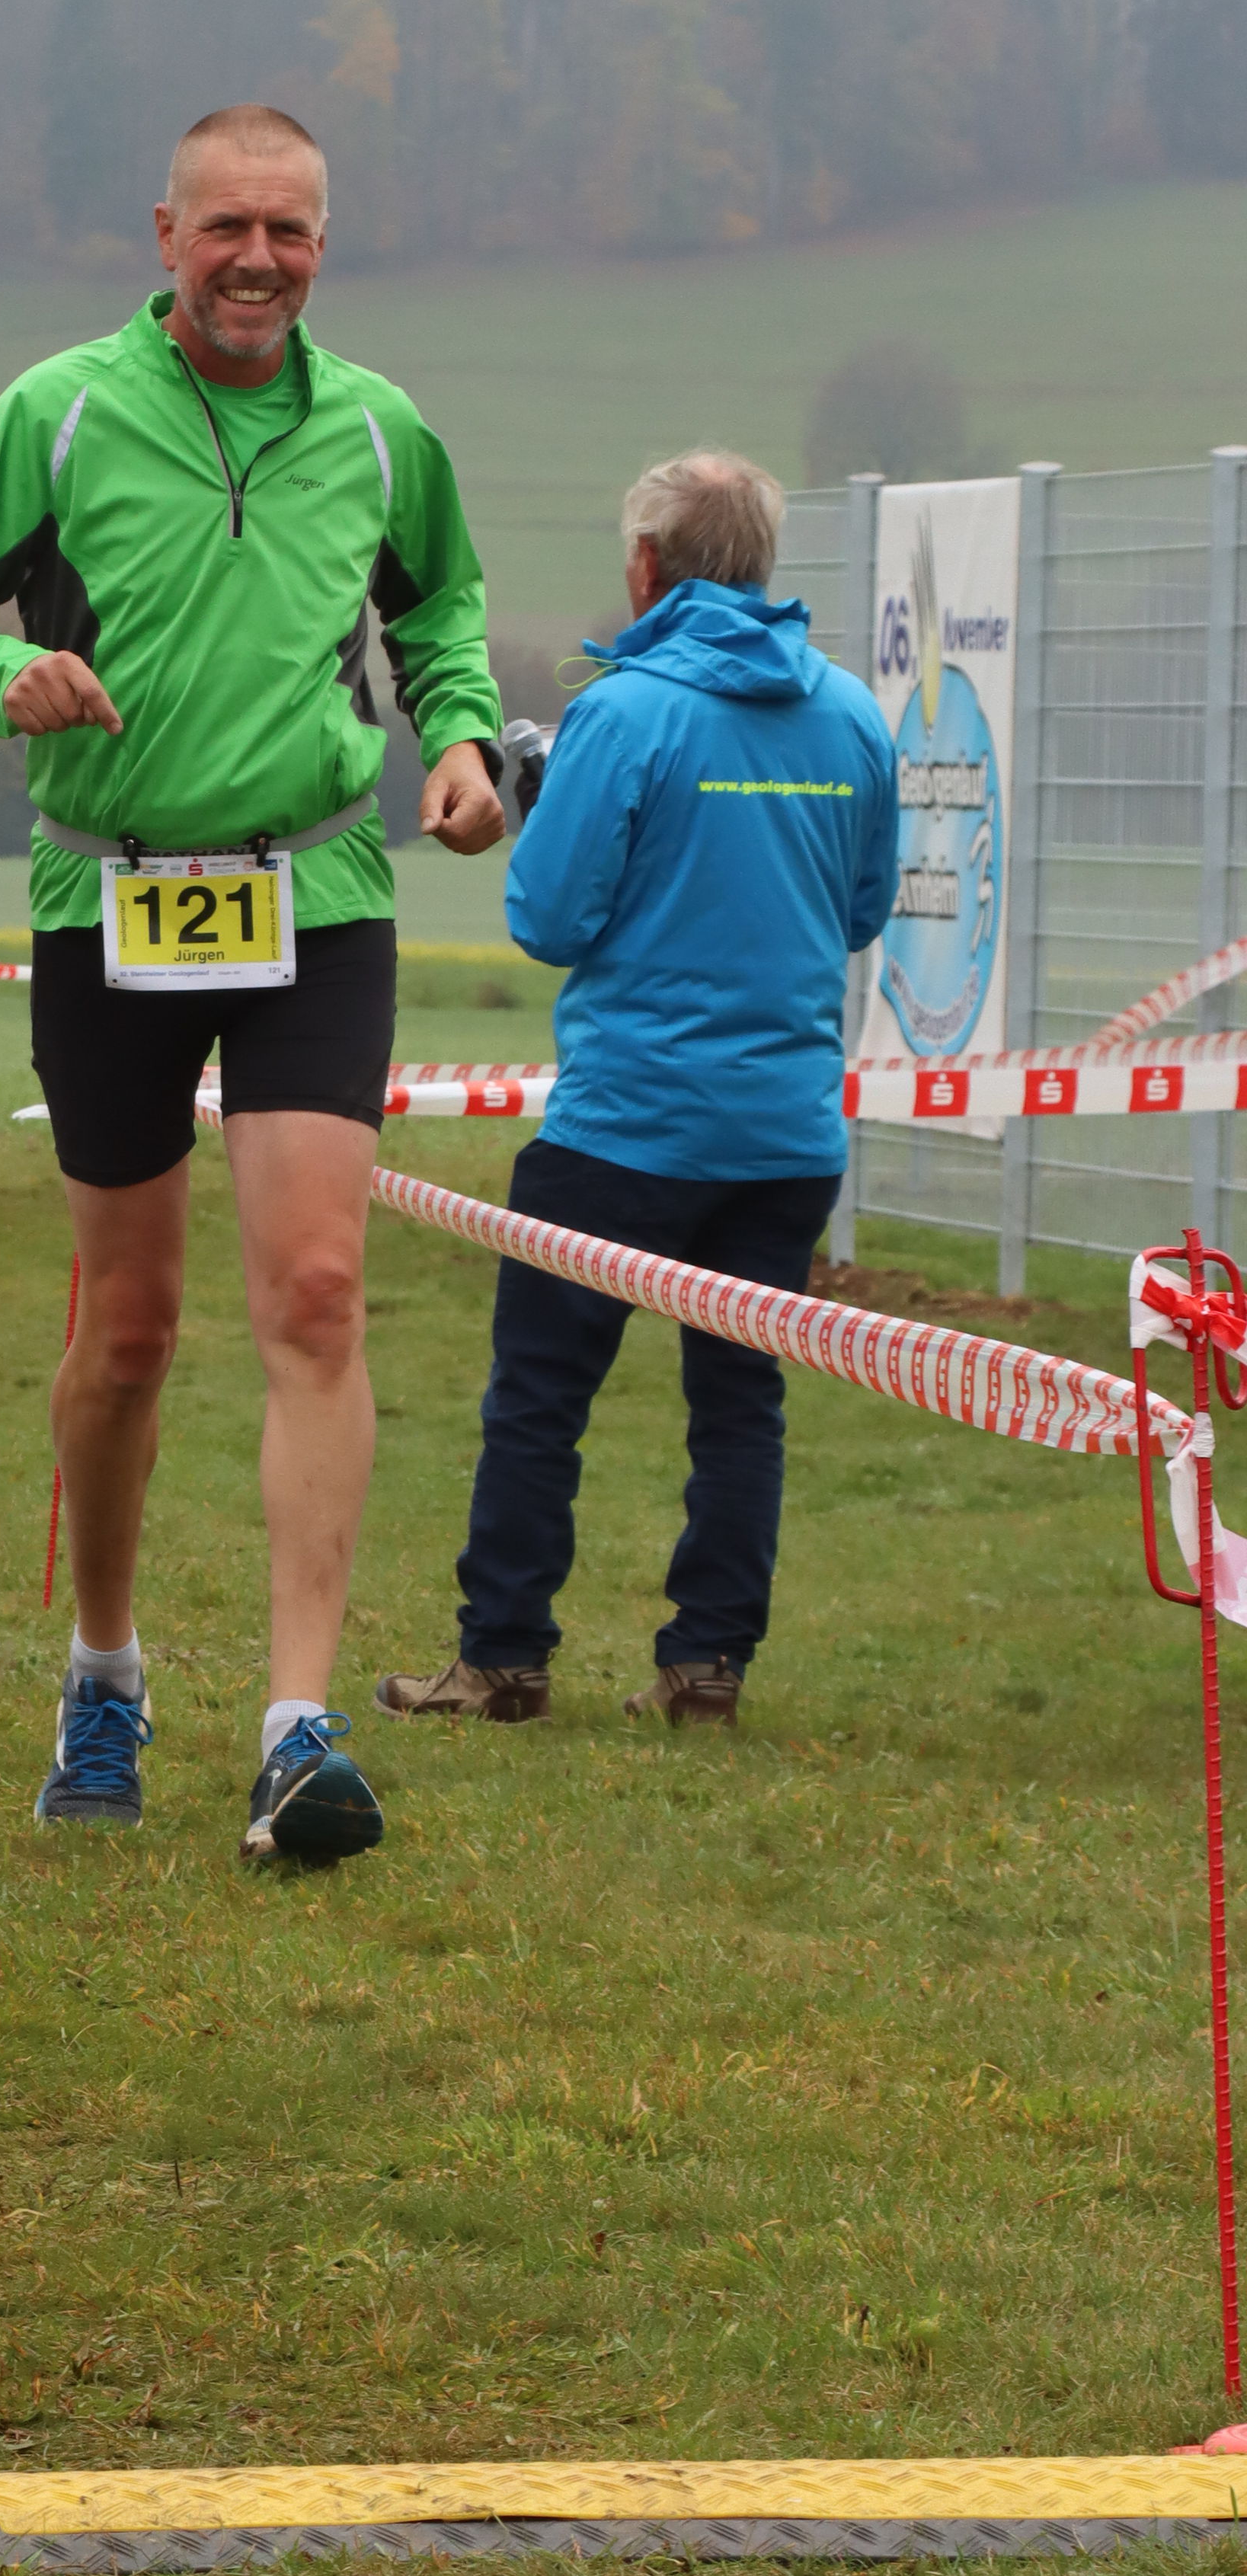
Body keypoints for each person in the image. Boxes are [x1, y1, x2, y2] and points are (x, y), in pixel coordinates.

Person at [0, 104, 506, 1869]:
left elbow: (439, 611)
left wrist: (457, 741)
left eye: (288, 232)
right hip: (110, 897)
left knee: (316, 1291)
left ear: (322, 245)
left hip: (318, 890)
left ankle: (299, 1730)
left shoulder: (380, 431)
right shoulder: (56, 414)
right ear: (166, 235)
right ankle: (103, 1670)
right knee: (129, 1326)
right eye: (227, 227)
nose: (257, 261)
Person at [379, 449, 897, 1733]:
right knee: (741, 1405)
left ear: (647, 566)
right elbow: (861, 911)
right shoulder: (850, 713)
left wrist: (548, 802)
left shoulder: (623, 712)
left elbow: (550, 919)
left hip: (626, 1125)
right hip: (785, 1130)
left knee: (540, 1399)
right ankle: (707, 1665)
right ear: (762, 564)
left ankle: (504, 1658)